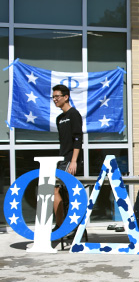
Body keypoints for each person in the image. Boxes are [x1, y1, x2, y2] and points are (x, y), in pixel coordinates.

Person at [52, 84, 83, 229]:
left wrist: (74, 161)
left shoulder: (74, 114)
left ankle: (73, 226)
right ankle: (59, 226)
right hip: (62, 159)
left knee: (70, 191)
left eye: (57, 96)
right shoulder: (59, 118)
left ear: (66, 97)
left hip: (72, 160)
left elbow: (78, 138)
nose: (54, 99)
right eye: (53, 97)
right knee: (56, 190)